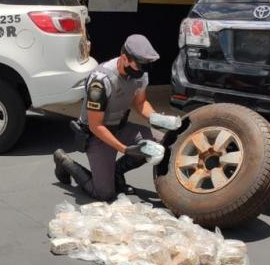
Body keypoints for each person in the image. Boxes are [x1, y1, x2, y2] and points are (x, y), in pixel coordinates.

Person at [53, 34, 182, 201]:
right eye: (140, 65)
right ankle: (65, 162)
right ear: (124, 58)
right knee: (104, 194)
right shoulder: (100, 81)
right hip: (97, 136)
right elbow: (95, 126)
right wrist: (126, 150)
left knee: (159, 142)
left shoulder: (139, 75)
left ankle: (117, 172)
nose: (143, 70)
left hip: (120, 128)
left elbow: (141, 103)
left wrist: (156, 118)